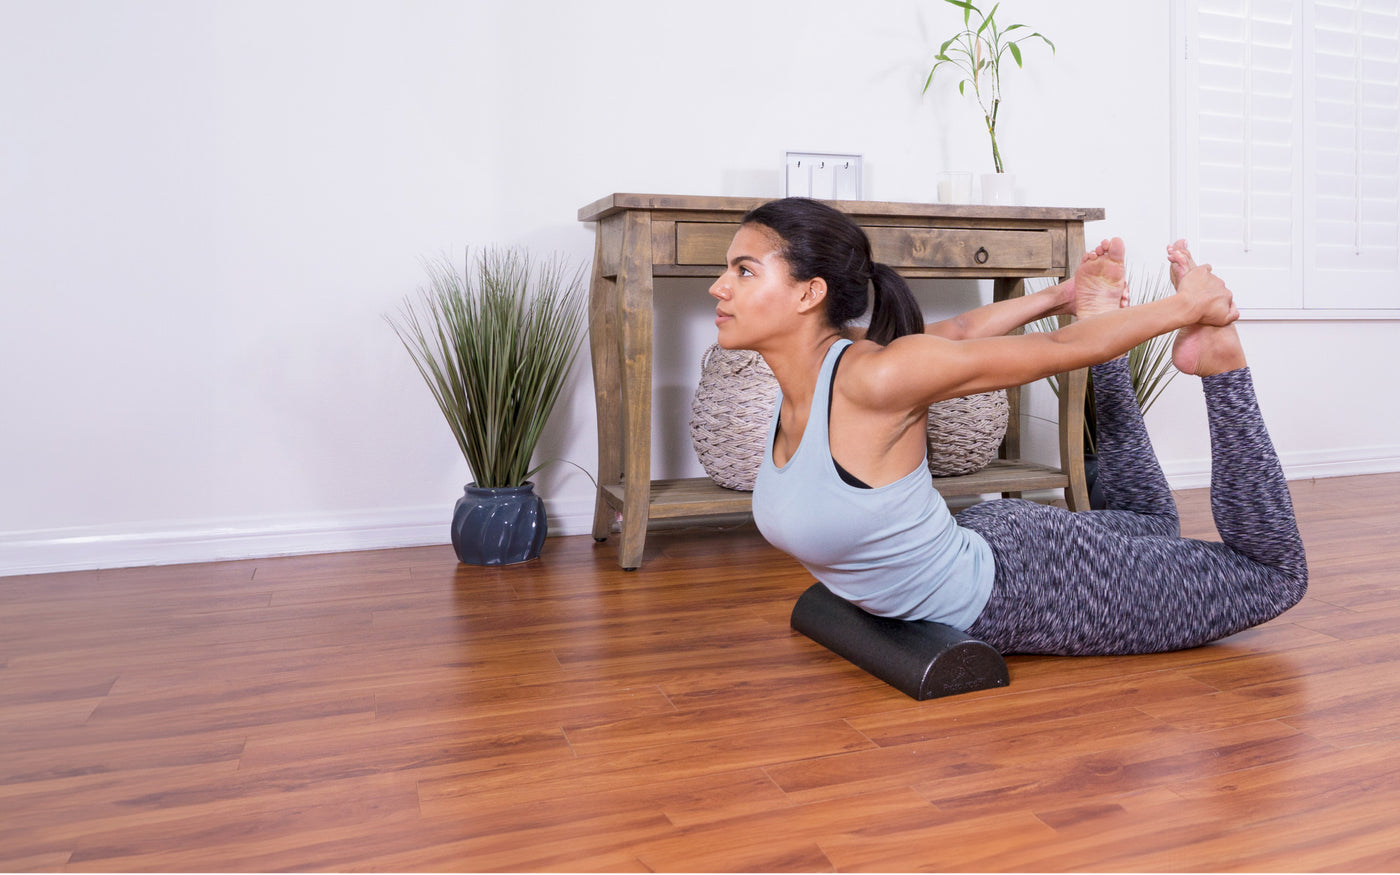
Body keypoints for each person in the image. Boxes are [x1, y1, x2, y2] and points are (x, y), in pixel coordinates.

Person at [710, 197, 1306, 656]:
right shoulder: (834, 366)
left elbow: (1062, 350)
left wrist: (1190, 307)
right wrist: (1062, 294)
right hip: (992, 541)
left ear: (809, 294)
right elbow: (962, 332)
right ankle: (1122, 345)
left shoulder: (874, 379)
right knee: (1151, 526)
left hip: (1028, 586)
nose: (720, 287)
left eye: (743, 271)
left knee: (1273, 578)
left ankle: (1222, 363)